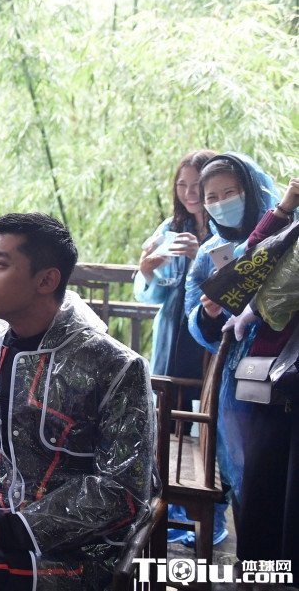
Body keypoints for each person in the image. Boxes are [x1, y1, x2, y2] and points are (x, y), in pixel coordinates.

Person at [0, 213, 155, 591]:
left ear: (46, 280)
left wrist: (14, 530)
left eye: (0, 264)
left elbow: (124, 491)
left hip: (75, 553)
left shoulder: (116, 367)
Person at [184, 152, 280, 548]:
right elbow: (197, 325)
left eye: (231, 192)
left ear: (252, 189)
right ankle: (257, 566)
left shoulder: (283, 238)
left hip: (287, 377)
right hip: (240, 385)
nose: (221, 203)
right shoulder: (209, 254)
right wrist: (208, 315)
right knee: (248, 478)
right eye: (212, 197)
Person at [133, 150, 215, 544]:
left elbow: (233, 284)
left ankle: (210, 518)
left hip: (210, 338)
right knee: (169, 422)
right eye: (181, 185)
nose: (189, 193)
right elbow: (152, 293)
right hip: (173, 333)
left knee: (210, 429)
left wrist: (201, 256)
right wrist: (147, 270)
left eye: (196, 185)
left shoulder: (229, 230)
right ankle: (166, 512)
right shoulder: (171, 227)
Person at [226, 178, 299, 567]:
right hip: (271, 372)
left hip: (283, 370)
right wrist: (285, 208)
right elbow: (249, 263)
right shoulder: (289, 222)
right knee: (264, 482)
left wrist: (254, 310)